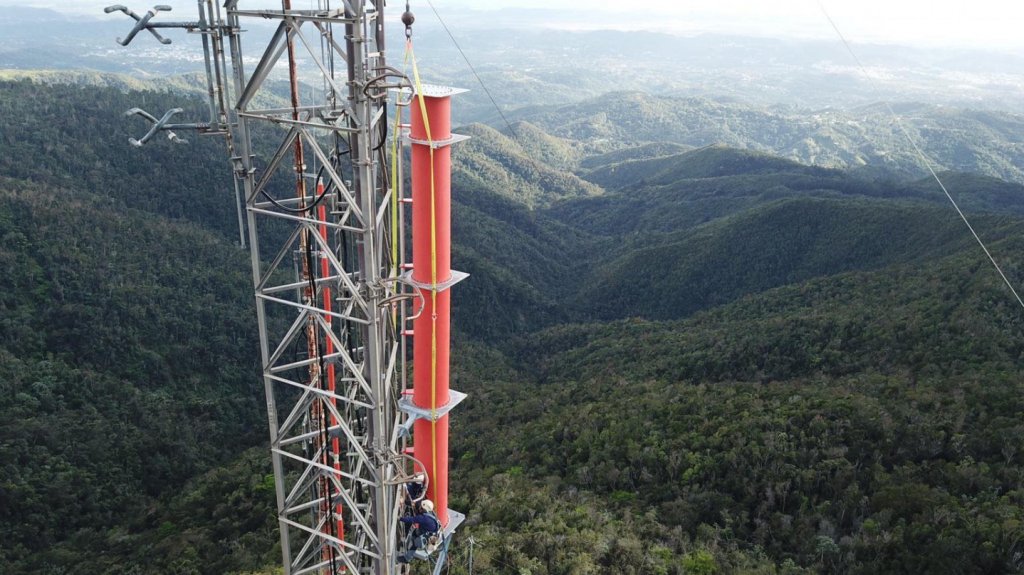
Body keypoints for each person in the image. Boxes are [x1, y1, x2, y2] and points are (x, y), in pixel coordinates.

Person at [398, 499, 440, 563]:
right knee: (415, 534)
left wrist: (400, 518)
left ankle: (407, 559)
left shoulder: (424, 518)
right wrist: (404, 501)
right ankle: (406, 545)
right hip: (431, 532)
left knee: (416, 541)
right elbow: (414, 504)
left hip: (428, 536)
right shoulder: (430, 513)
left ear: (423, 509)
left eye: (421, 507)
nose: (419, 508)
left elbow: (411, 520)